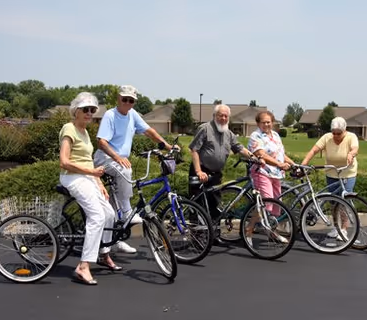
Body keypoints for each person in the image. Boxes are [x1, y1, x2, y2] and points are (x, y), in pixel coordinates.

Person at [94, 85, 177, 253]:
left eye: (130, 100)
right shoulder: (110, 115)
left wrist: (166, 146)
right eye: (124, 99)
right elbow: (101, 142)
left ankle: (115, 241)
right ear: (118, 99)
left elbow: (149, 131)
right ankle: (126, 211)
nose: (127, 103)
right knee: (125, 171)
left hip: (118, 161)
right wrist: (117, 157)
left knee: (113, 203)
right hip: (105, 159)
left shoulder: (132, 115)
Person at [59, 92, 122, 286]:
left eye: (92, 110)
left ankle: (104, 254)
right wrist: (91, 172)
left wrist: (99, 182)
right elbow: (64, 161)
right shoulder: (69, 128)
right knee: (97, 217)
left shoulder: (85, 132)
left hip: (87, 177)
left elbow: (88, 161)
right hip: (73, 177)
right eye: (85, 109)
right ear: (75, 111)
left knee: (109, 213)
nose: (89, 113)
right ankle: (83, 266)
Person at [188, 104, 253, 243]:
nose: (223, 118)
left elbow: (239, 147)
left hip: (216, 173)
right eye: (220, 115)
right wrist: (199, 171)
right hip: (201, 171)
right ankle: (196, 238)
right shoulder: (205, 128)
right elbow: (194, 149)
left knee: (214, 203)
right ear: (214, 116)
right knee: (197, 204)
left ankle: (214, 235)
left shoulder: (228, 133)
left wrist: (254, 157)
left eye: (225, 116)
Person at [301, 116, 359, 240]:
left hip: (347, 173)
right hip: (332, 173)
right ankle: (336, 227)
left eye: (339, 133)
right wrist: (304, 163)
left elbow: (355, 148)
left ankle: (343, 228)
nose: (336, 136)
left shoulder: (351, 137)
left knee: (343, 201)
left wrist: (351, 154)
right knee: (333, 202)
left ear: (345, 130)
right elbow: (314, 150)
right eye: (334, 133)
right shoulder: (327, 138)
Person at [245, 111, 296, 243]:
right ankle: (249, 230)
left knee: (276, 205)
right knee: (266, 202)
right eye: (264, 122)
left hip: (276, 174)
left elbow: (280, 154)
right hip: (262, 172)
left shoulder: (275, 135)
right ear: (258, 123)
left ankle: (272, 232)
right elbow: (261, 155)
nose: (267, 124)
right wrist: (279, 164)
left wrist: (294, 164)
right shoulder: (255, 136)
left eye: (269, 122)